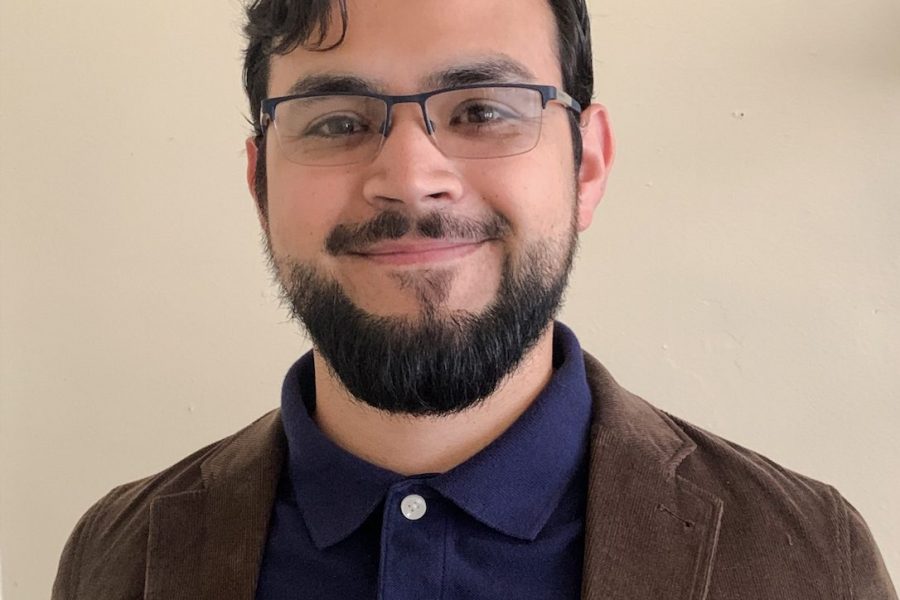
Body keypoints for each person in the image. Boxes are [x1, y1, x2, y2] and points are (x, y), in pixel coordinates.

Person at [52, 0, 896, 598]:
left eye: (484, 110)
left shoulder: (809, 559)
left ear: (587, 164)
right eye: (338, 121)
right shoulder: (116, 560)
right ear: (258, 180)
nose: (412, 177)